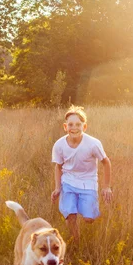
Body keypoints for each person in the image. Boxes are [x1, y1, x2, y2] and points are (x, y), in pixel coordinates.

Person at [51, 105, 112, 245]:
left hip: (88, 182)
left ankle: (82, 206)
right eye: (71, 124)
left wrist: (106, 187)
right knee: (70, 216)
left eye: (78, 124)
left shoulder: (93, 144)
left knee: (89, 219)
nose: (74, 128)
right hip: (68, 182)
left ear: (84, 127)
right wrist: (57, 188)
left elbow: (106, 162)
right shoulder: (59, 145)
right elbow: (58, 167)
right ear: (65, 127)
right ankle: (76, 242)